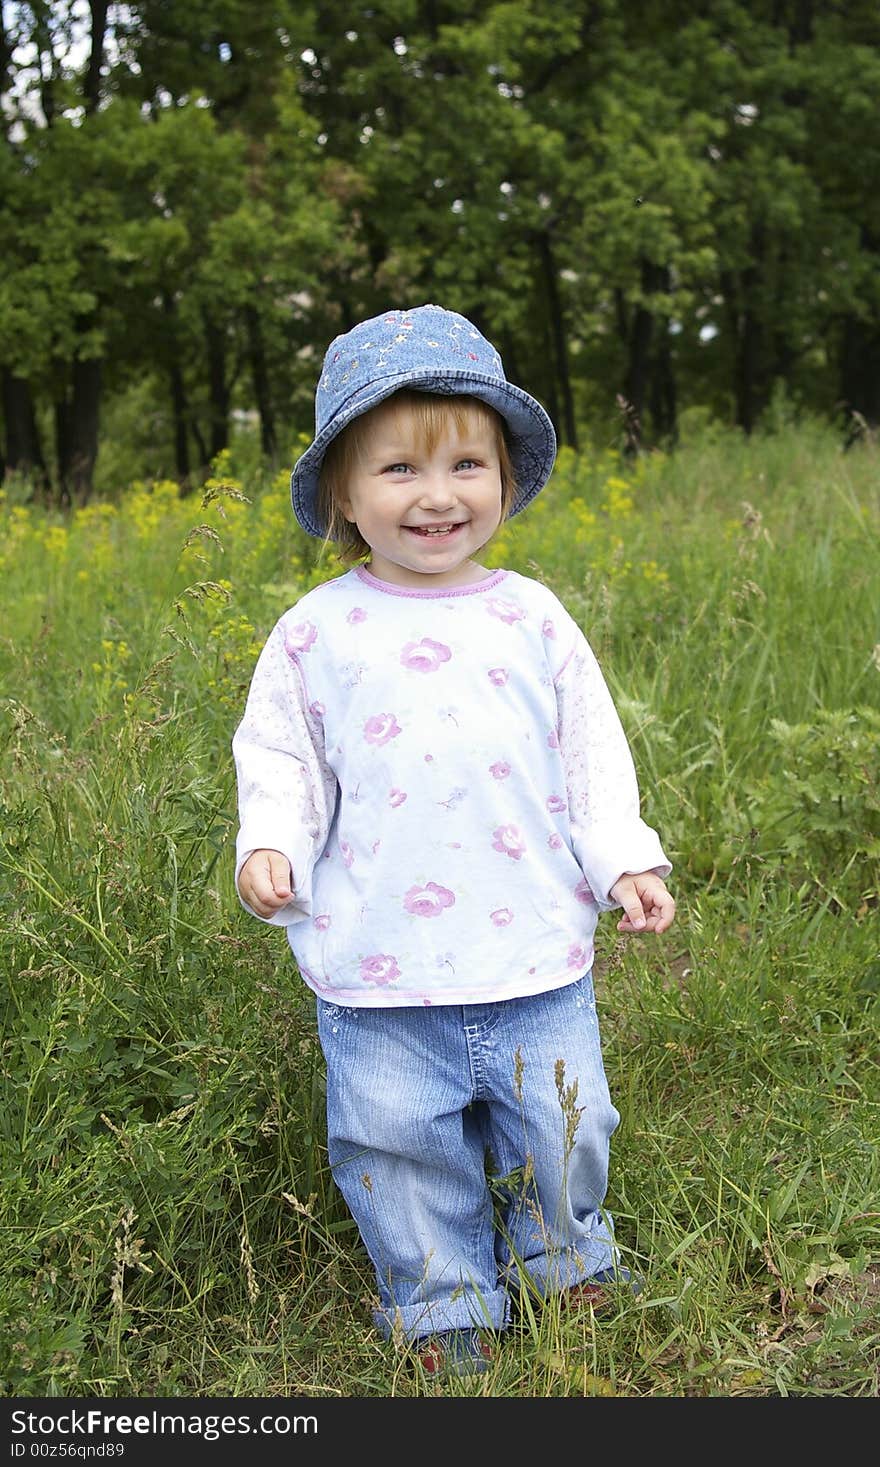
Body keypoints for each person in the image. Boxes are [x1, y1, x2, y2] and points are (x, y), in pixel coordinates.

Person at [232, 304, 675, 1378]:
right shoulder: (314, 633)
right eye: (397, 471)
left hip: (529, 949)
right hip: (376, 965)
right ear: (342, 492)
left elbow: (588, 754)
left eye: (466, 464)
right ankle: (439, 1303)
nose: (437, 496)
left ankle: (565, 1260)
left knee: (566, 1127)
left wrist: (621, 854)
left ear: (505, 479)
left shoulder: (531, 618)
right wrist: (270, 840)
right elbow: (282, 757)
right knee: (396, 1145)